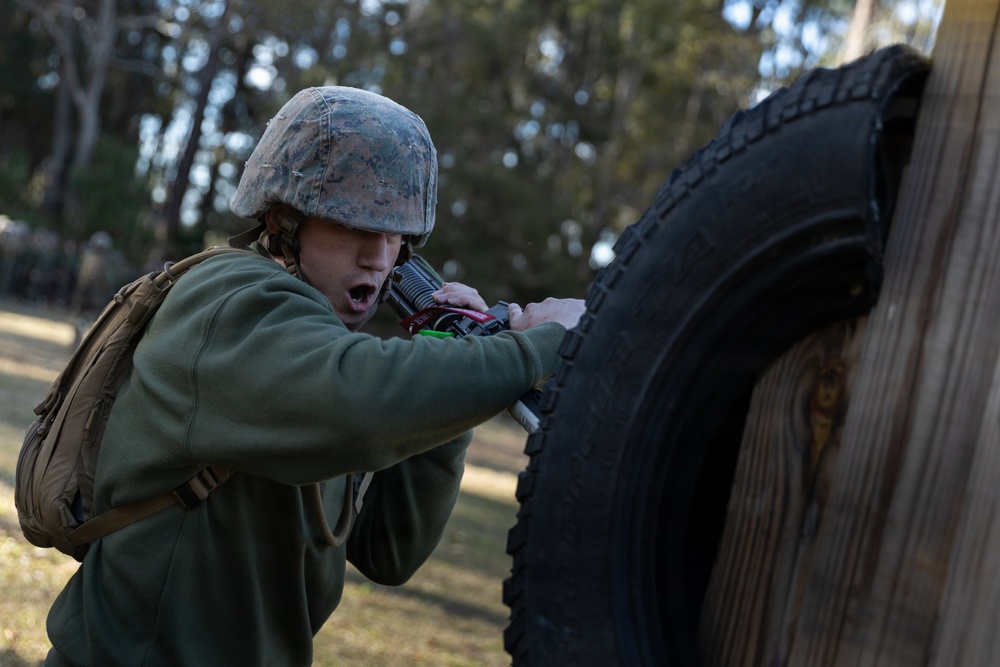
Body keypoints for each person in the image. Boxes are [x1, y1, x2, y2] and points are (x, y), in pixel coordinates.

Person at [44, 86, 584, 665]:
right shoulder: (229, 300)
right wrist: (542, 346)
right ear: (284, 219)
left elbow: (389, 549)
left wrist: (452, 349)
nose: (380, 258)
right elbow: (360, 405)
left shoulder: (314, 343)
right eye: (356, 225)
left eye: (396, 234)